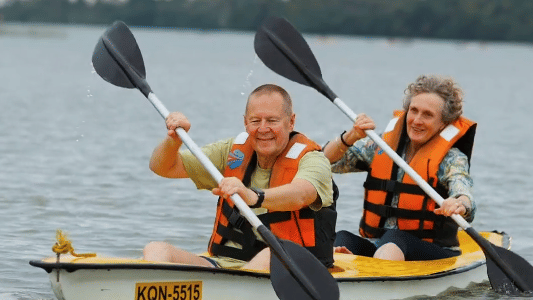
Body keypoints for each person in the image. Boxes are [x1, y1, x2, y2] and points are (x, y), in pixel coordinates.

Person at [144, 84, 337, 270]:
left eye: (272, 121)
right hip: (224, 266)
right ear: (245, 122)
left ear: (291, 121)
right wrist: (173, 140)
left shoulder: (313, 159)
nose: (263, 128)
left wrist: (254, 196)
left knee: (272, 254)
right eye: (255, 121)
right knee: (156, 249)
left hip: (290, 271)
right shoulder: (232, 152)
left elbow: (302, 194)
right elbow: (163, 167)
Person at [323, 75, 477, 261]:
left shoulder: (451, 159)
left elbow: (463, 192)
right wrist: (350, 136)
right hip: (380, 245)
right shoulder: (382, 147)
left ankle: (379, 281)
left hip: (433, 251)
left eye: (427, 115)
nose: (417, 120)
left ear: (443, 122)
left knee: (394, 239)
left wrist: (459, 204)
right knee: (341, 238)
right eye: (414, 111)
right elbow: (323, 162)